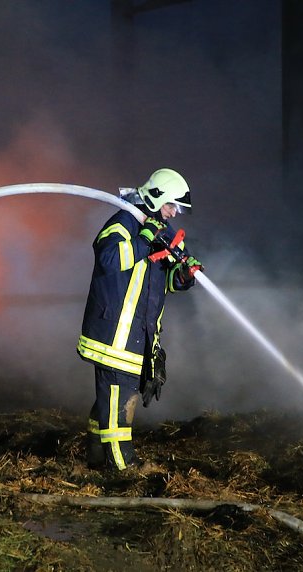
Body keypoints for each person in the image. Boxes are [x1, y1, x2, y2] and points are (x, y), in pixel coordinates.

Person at [77, 168, 203, 471]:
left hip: (137, 336)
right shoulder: (123, 223)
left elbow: (162, 282)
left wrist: (183, 276)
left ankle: (96, 461)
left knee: (112, 403)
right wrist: (144, 241)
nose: (174, 213)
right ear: (156, 196)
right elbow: (108, 261)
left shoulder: (164, 234)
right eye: (172, 205)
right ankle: (123, 471)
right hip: (113, 337)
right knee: (119, 409)